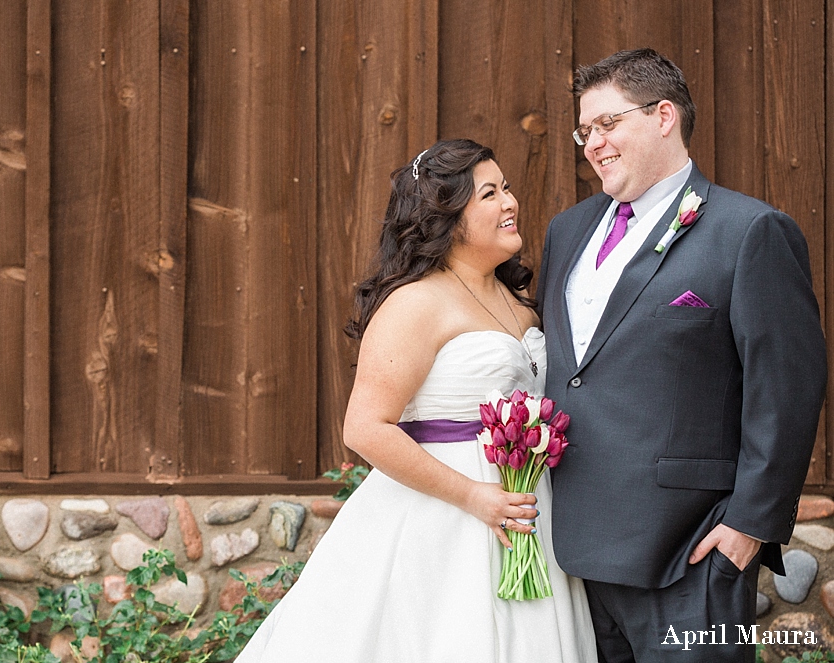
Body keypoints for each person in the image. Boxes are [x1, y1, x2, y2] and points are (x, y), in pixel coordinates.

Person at [236, 139, 597, 662]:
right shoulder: (414, 303)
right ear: (447, 218)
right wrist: (475, 497)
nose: (510, 202)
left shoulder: (517, 302)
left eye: (508, 188)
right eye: (490, 194)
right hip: (445, 519)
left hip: (526, 509)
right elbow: (364, 428)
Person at [536, 48, 827, 663]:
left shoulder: (748, 231)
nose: (592, 143)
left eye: (608, 123)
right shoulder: (567, 230)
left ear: (663, 115)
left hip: (689, 554)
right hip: (572, 550)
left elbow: (787, 389)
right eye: (584, 130)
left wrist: (749, 528)